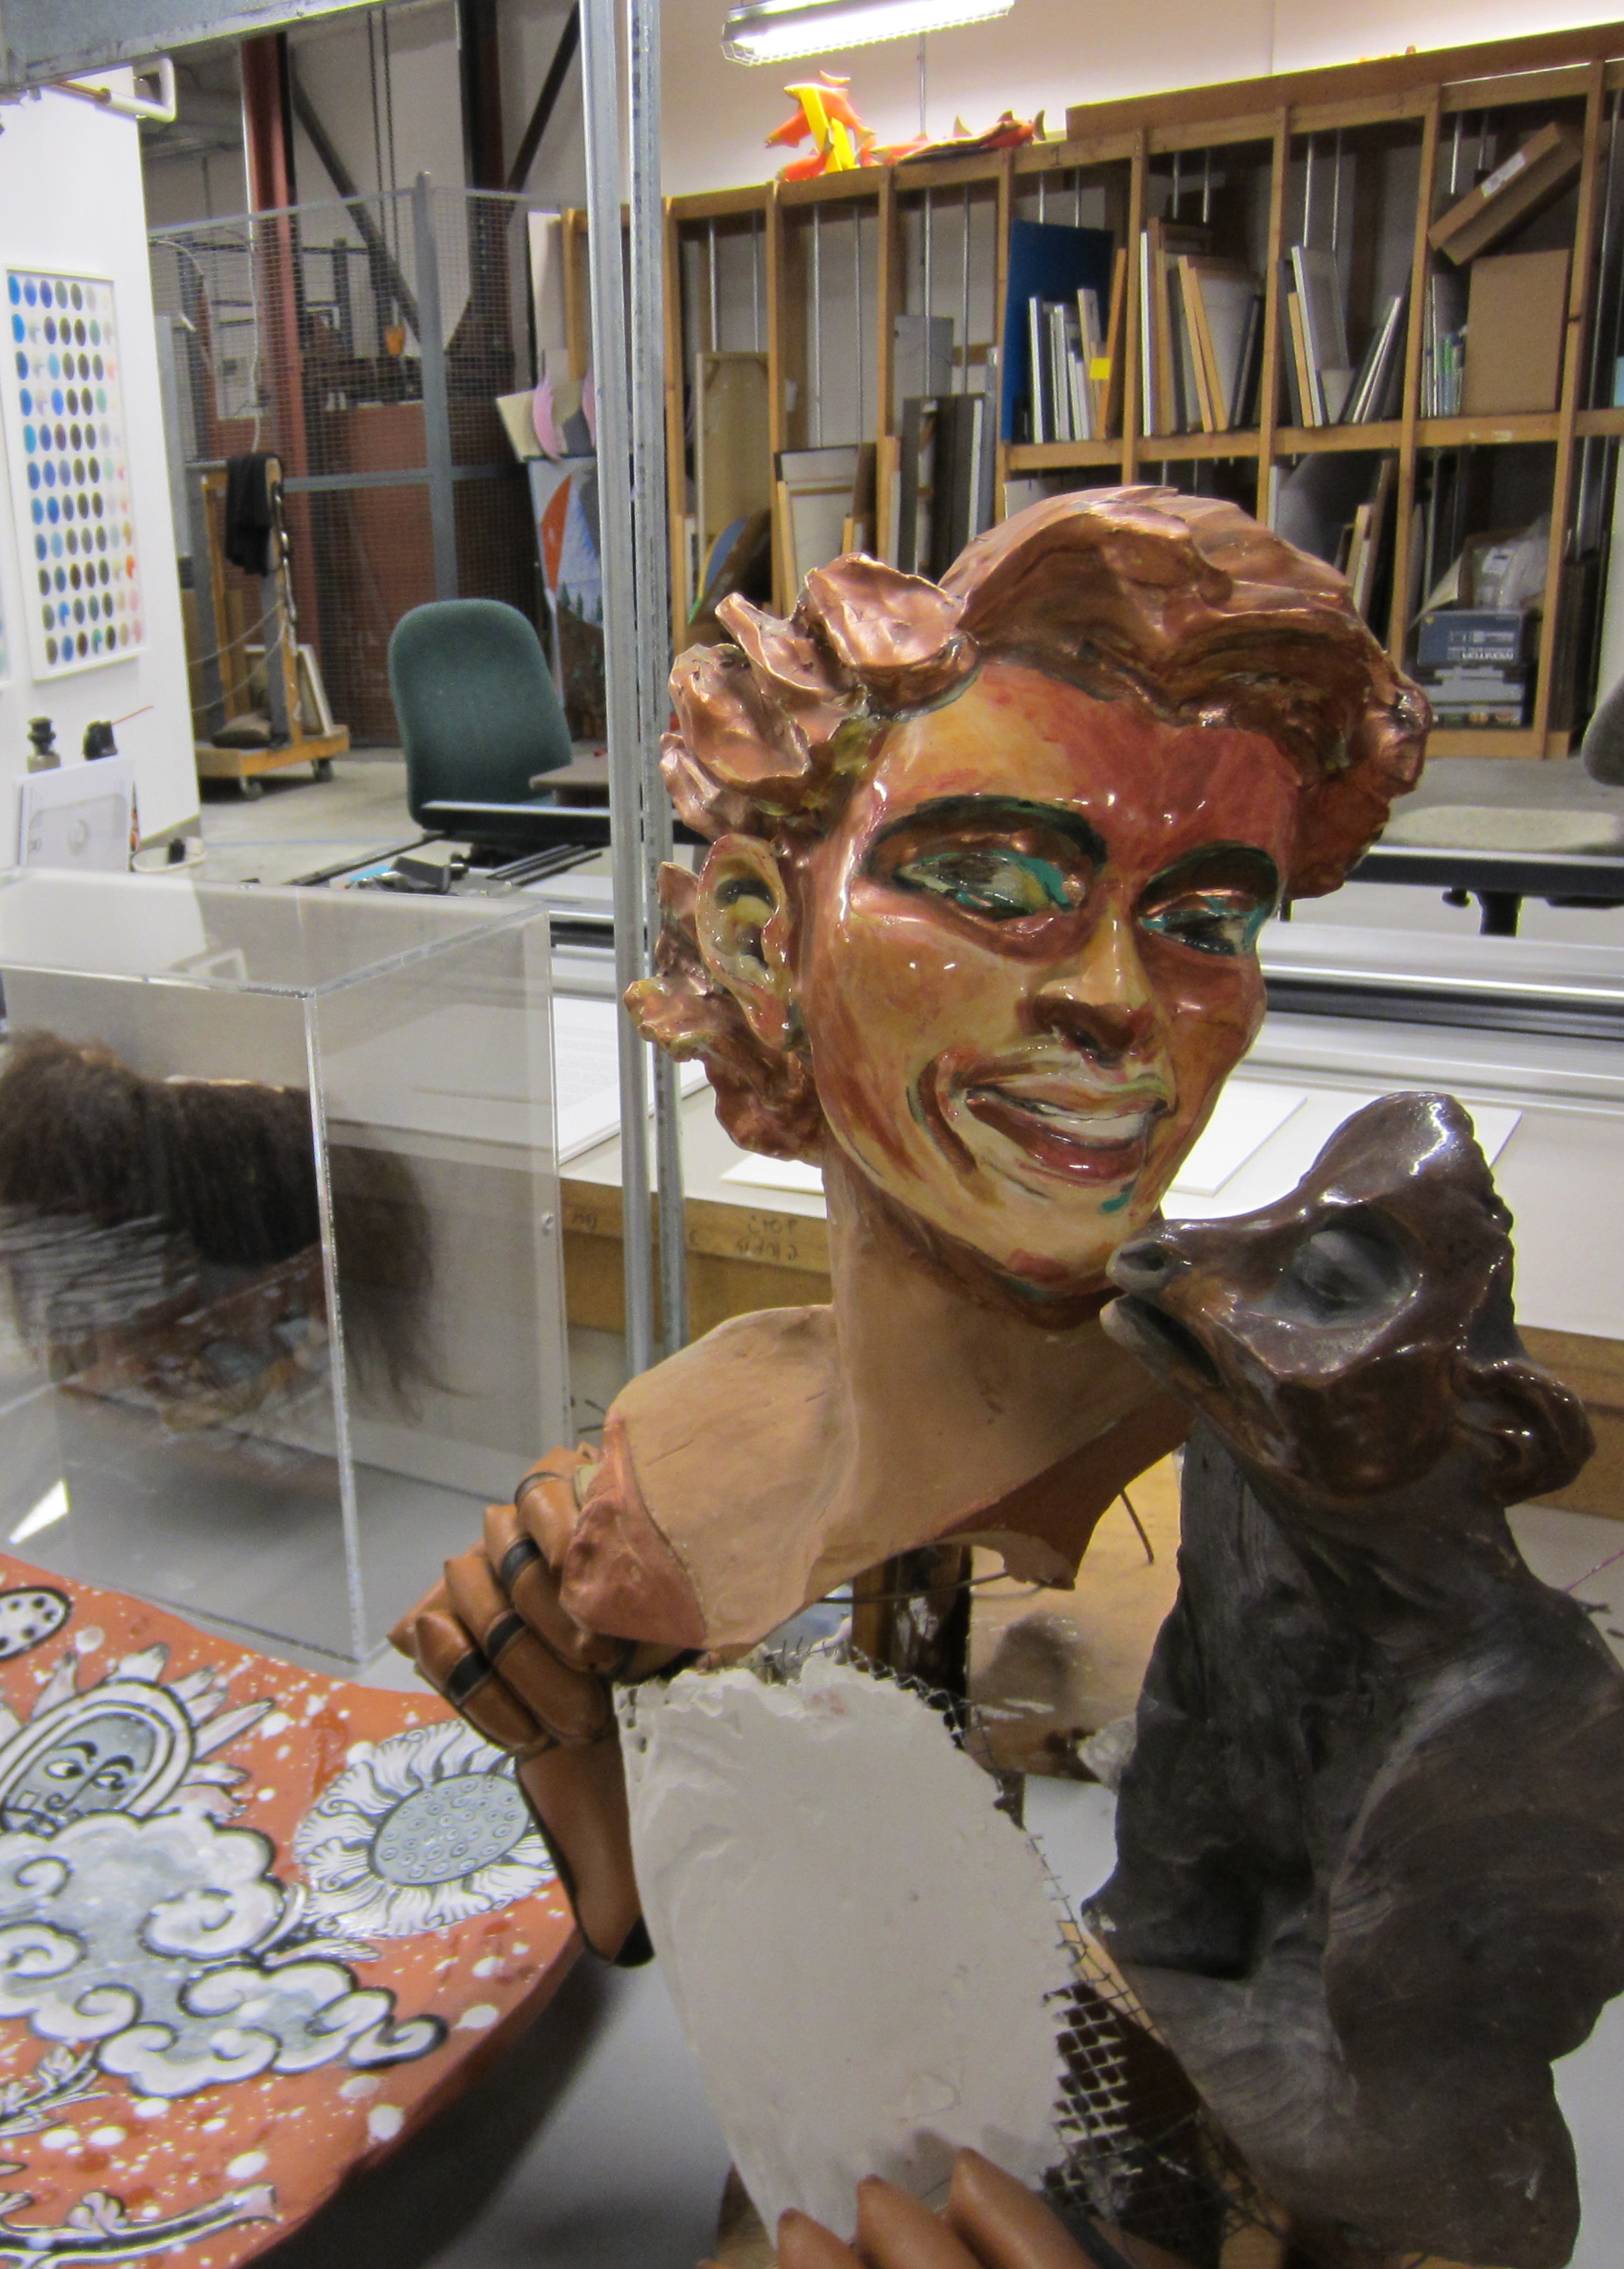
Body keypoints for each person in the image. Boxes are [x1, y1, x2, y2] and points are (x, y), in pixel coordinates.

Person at [396, 486, 1427, 1958]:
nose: (1116, 1001)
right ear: (766, 944)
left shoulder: (1283, 1507)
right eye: (995, 887)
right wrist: (563, 1725)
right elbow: (640, 1926)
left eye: (1203, 925)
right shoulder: (677, 1448)